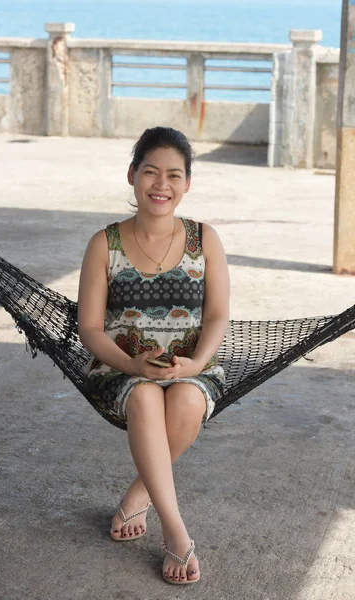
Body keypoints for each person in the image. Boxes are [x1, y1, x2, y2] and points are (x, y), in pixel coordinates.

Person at [77, 126, 230, 585]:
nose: (161, 185)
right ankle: (176, 532)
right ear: (132, 175)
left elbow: (219, 316)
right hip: (120, 367)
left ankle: (142, 490)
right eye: (151, 172)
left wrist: (198, 363)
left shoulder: (206, 239)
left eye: (174, 175)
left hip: (192, 364)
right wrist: (132, 365)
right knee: (145, 396)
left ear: (187, 184)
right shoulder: (105, 244)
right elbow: (89, 328)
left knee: (185, 398)